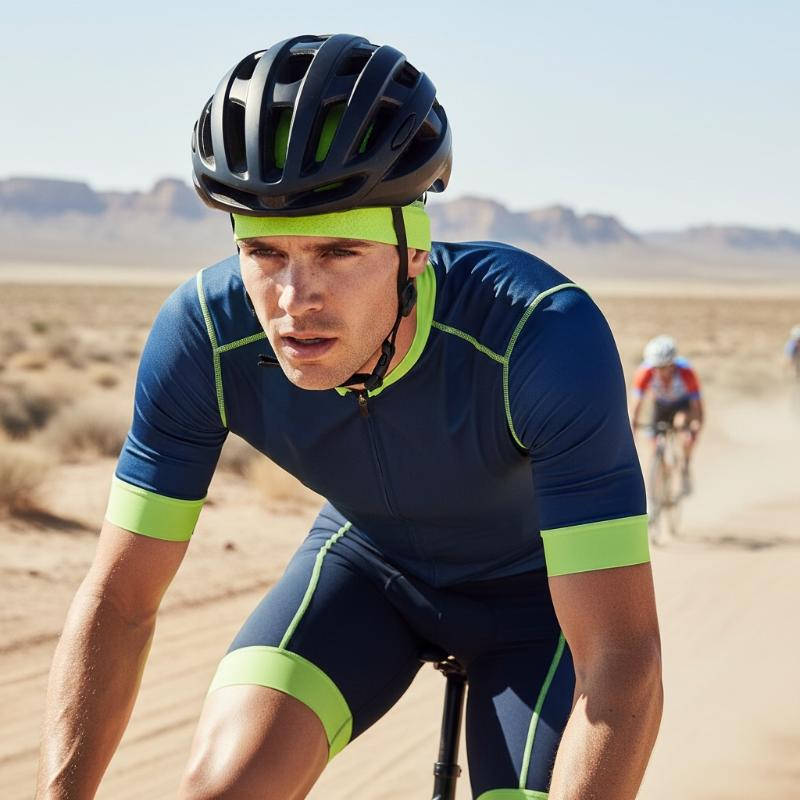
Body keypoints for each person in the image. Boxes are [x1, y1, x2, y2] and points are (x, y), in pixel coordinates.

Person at [36, 34, 662, 800]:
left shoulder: (539, 337)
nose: (294, 299)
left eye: (338, 252)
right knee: (224, 789)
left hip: (542, 608)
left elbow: (621, 657)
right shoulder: (204, 338)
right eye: (265, 253)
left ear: (414, 252)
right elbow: (118, 601)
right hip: (367, 572)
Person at [630, 335, 704, 495]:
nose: (659, 371)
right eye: (656, 367)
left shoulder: (686, 372)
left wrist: (695, 427)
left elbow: (697, 407)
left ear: (672, 364)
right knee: (655, 446)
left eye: (663, 367)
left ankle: (685, 466)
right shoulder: (645, 372)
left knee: (681, 423)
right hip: (660, 406)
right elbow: (636, 406)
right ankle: (658, 483)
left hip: (682, 406)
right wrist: (632, 430)